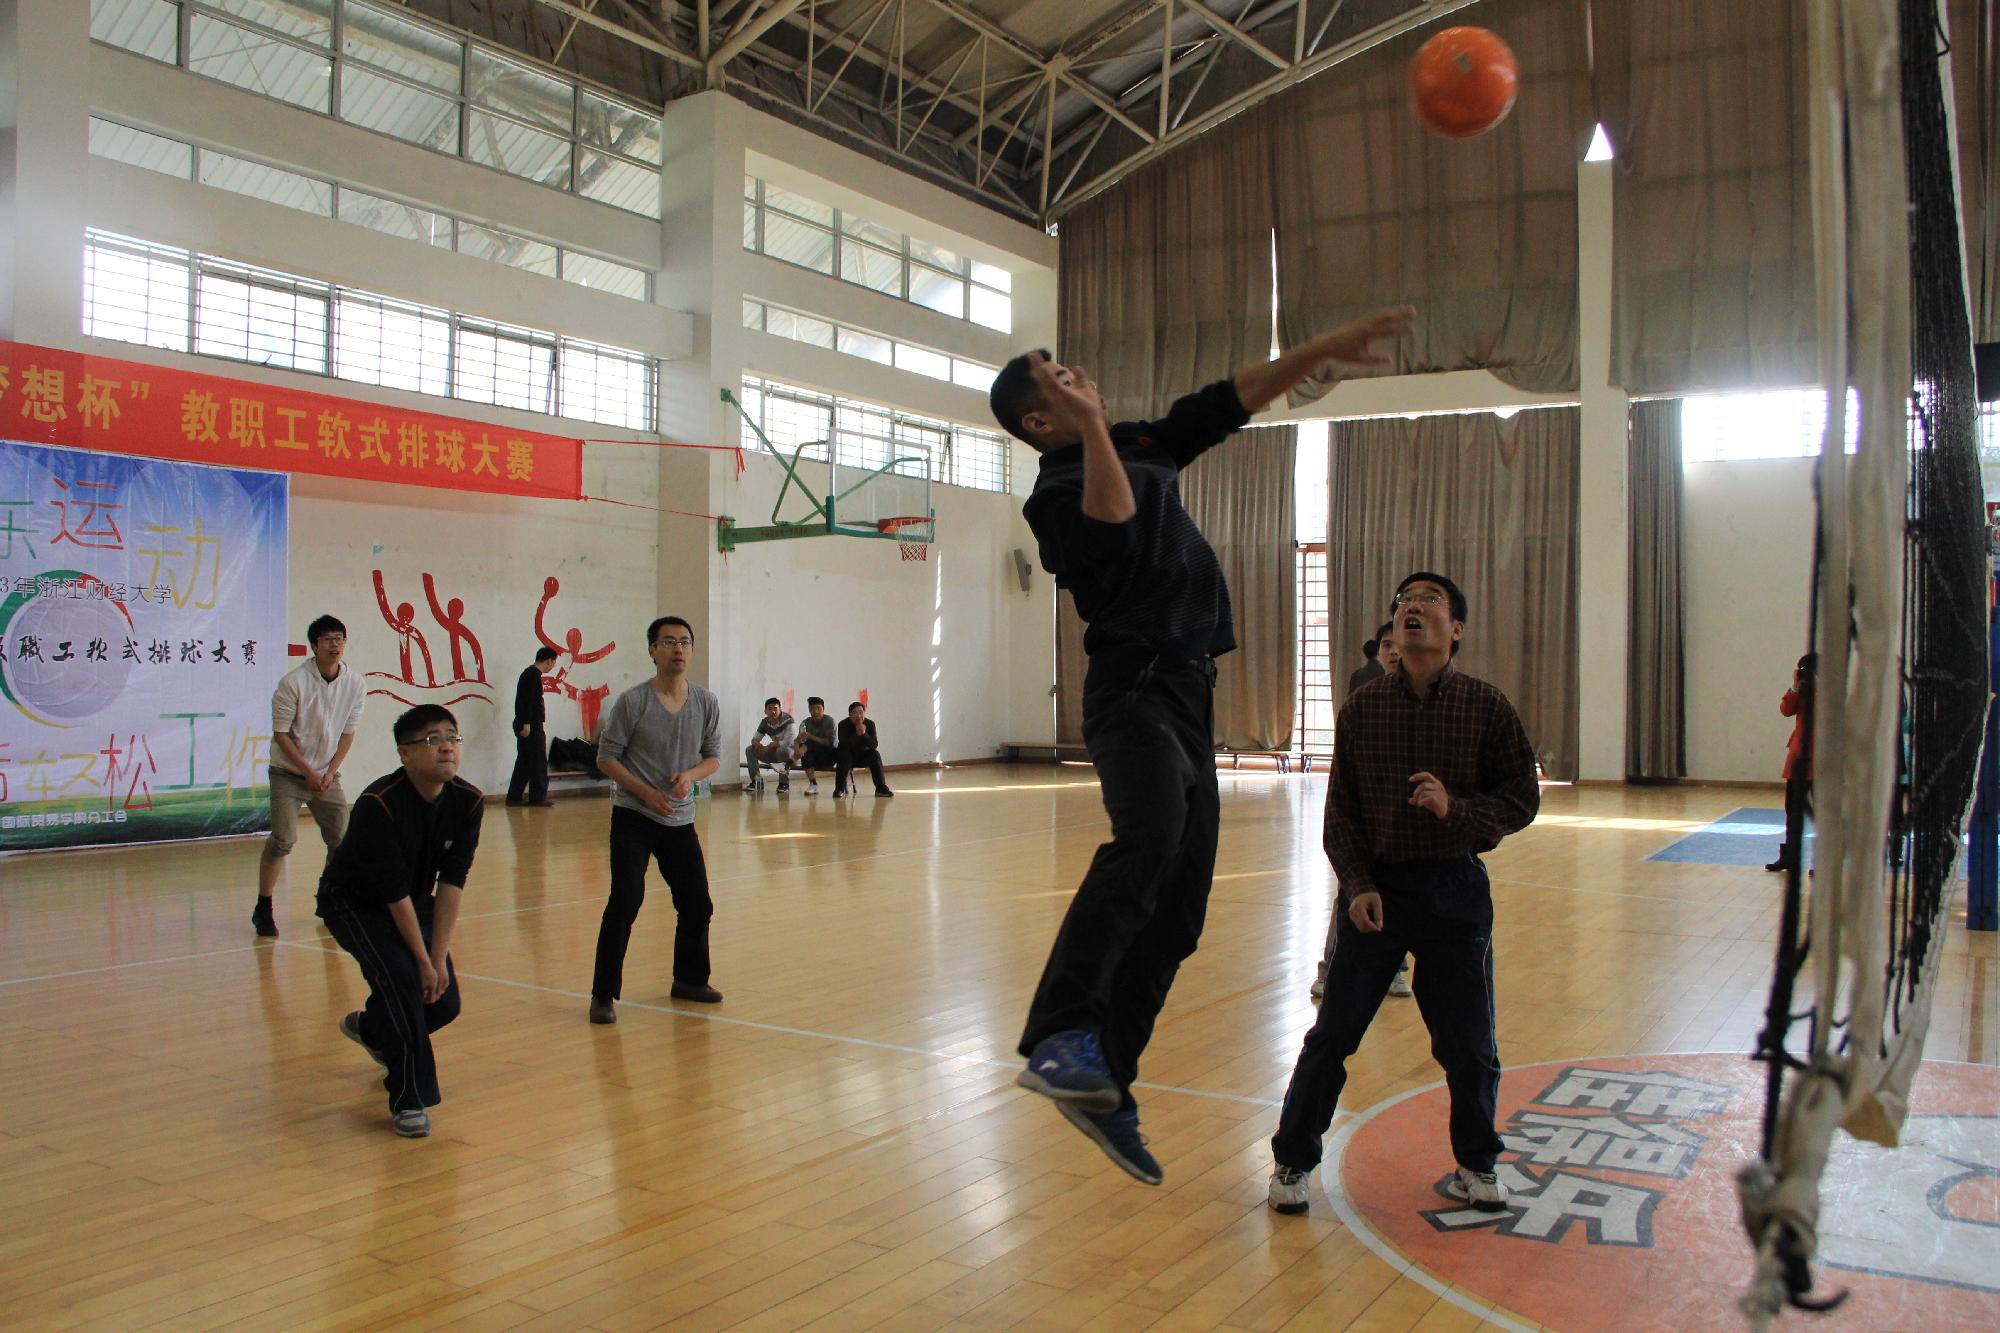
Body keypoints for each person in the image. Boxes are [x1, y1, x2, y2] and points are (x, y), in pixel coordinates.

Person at [989, 306, 1415, 1186]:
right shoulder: (1055, 494)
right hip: (1131, 689)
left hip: (1189, 694)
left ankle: (1106, 1079)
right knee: (1147, 837)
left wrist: (1318, 351)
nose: (1082, 379)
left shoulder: (1138, 441)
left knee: (1181, 912)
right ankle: (1061, 1032)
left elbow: (1226, 401)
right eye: (1062, 381)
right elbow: (1115, 521)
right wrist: (1094, 425)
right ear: (1039, 421)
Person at [1268, 572, 1539, 1216]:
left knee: (1469, 1045)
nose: (1412, 608)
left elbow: (1522, 798)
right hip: (1379, 894)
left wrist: (1457, 810)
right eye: (1404, 603)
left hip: (1454, 891)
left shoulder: (1486, 705)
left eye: (1429, 601)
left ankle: (1477, 1164)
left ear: (1457, 629)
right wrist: (1357, 886)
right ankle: (1292, 1160)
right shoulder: (1364, 709)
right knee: (1332, 1036)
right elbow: (1341, 815)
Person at [317, 704, 483, 1139]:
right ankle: (408, 1099)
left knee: (443, 1003)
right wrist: (423, 963)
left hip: (415, 900)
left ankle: (373, 1029)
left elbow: (452, 881)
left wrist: (438, 957)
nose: (446, 747)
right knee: (406, 982)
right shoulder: (379, 804)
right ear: (404, 754)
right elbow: (391, 891)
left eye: (452, 737)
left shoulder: (468, 801)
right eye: (432, 739)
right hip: (354, 902)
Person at [588, 616, 723, 1023]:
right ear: (652, 650)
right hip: (634, 817)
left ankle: (690, 980)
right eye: (668, 642)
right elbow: (606, 758)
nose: (678, 649)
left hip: (679, 821)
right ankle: (603, 995)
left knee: (697, 904)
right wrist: (645, 792)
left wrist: (690, 776)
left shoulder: (705, 702)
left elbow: (713, 757)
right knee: (625, 902)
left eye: (685, 642)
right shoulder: (633, 702)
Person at [1315, 618, 1412, 1003]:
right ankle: (1329, 969)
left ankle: (1394, 971)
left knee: (1402, 900)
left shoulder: (1425, 703)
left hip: (1404, 826)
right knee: (1351, 894)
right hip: (1366, 822)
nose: (1394, 651)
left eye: (1399, 644)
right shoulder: (1365, 697)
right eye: (1387, 645)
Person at [253, 614, 365, 938]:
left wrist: (329, 772)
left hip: (326, 775)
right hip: (288, 774)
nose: (335, 645)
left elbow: (348, 733)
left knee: (342, 840)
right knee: (283, 840)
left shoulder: (355, 684)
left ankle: (328, 899)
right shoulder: (293, 683)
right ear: (314, 645)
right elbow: (281, 735)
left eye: (339, 638)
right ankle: (263, 906)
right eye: (328, 639)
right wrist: (308, 772)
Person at [1766, 654, 1816, 874]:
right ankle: (1789, 856)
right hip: (1798, 759)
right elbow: (1786, 710)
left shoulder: (1831, 691)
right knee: (1792, 811)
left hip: (1822, 760)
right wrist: (1795, 687)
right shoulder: (1800, 691)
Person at [507, 646, 559, 807]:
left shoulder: (529, 673)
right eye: (554, 662)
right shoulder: (533, 675)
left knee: (524, 762)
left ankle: (514, 797)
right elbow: (527, 701)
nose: (553, 666)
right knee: (538, 762)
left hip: (525, 723)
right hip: (531, 725)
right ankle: (537, 798)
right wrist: (527, 723)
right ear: (549, 661)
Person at [834, 701, 893, 797]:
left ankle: (881, 788)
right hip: (848, 756)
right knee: (843, 754)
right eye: (854, 713)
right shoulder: (842, 725)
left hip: (863, 756)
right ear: (849, 715)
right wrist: (857, 734)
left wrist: (864, 734)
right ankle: (840, 789)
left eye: (861, 712)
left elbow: (874, 745)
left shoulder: (870, 724)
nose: (858, 716)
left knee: (875, 754)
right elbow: (844, 745)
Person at [744, 697, 797, 793]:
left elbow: (789, 742)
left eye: (775, 708)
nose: (773, 711)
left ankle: (784, 784)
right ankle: (757, 782)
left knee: (783, 750)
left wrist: (770, 746)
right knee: (750, 749)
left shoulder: (788, 720)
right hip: (775, 753)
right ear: (765, 711)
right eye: (770, 709)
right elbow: (755, 739)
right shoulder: (765, 722)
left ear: (780, 709)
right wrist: (757, 745)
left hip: (792, 755)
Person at [792, 696, 838, 793]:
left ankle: (788, 763)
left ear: (823, 709)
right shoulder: (806, 722)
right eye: (812, 709)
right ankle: (813, 784)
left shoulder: (830, 721)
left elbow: (830, 743)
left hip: (829, 756)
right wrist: (797, 750)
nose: (816, 711)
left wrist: (810, 736)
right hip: (813, 757)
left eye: (818, 708)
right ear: (809, 710)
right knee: (805, 746)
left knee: (809, 742)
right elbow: (797, 740)